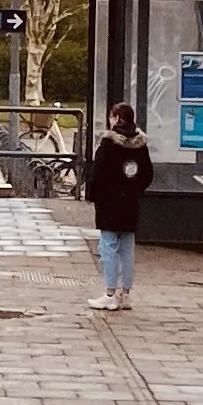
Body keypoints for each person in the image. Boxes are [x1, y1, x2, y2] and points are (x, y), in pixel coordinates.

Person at [83, 101, 152, 310]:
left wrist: (95, 197)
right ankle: (125, 294)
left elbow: (97, 175)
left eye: (111, 116)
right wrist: (134, 190)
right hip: (130, 203)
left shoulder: (108, 144)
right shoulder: (141, 145)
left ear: (115, 118)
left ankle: (110, 293)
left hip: (110, 204)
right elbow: (147, 174)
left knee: (108, 247)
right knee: (128, 248)